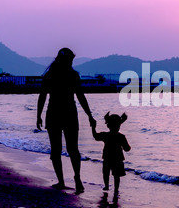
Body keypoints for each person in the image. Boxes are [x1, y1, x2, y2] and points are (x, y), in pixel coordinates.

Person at [36, 48, 96, 194]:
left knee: (59, 150)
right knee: (70, 149)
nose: (71, 62)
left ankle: (65, 181)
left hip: (55, 114)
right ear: (65, 59)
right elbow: (80, 96)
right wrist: (89, 115)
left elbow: (43, 96)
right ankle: (73, 179)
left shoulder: (50, 75)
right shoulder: (72, 75)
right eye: (70, 60)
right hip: (68, 113)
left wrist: (89, 115)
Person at [91, 112, 131, 194]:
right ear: (119, 125)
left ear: (108, 125)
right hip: (118, 158)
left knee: (106, 173)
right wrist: (127, 148)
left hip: (107, 157)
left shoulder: (106, 135)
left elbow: (95, 136)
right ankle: (116, 189)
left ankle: (106, 186)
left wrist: (93, 128)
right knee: (117, 176)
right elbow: (127, 148)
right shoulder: (121, 137)